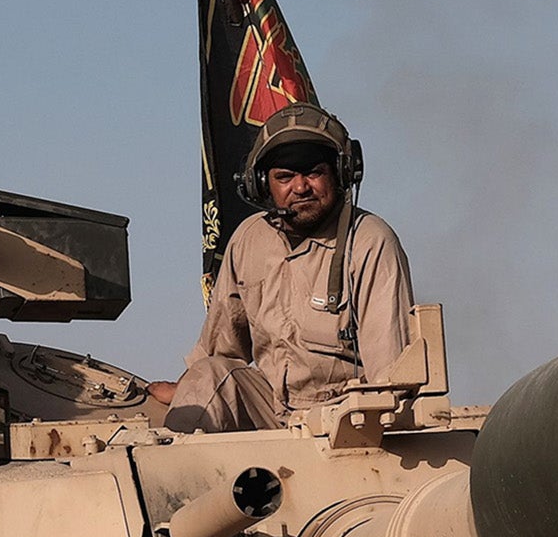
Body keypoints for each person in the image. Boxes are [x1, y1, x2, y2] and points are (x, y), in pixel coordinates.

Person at [153, 104, 413, 432]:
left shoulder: (369, 242)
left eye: (314, 173)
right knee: (207, 376)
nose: (300, 187)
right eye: (285, 177)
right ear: (262, 184)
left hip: (344, 416)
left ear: (341, 174)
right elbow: (221, 348)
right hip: (271, 407)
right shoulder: (250, 239)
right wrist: (189, 391)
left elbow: (389, 381)